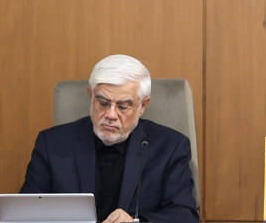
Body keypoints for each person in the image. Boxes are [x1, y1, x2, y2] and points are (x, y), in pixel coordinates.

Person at [20, 55, 199, 223]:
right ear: (91, 96)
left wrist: (136, 221)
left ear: (142, 105)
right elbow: (25, 214)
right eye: (103, 103)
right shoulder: (52, 143)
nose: (111, 115)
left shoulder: (170, 147)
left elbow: (185, 215)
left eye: (123, 106)